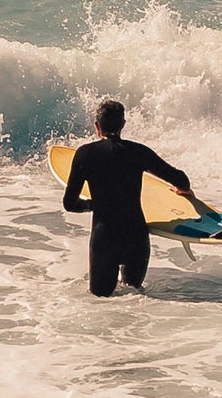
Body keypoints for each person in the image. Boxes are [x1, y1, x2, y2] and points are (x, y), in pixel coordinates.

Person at [62, 99, 193, 297]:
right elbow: (180, 179)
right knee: (135, 298)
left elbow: (70, 204)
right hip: (136, 237)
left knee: (101, 302)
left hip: (104, 238)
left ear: (97, 125)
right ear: (123, 124)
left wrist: (94, 204)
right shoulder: (138, 152)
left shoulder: (85, 154)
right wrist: (184, 192)